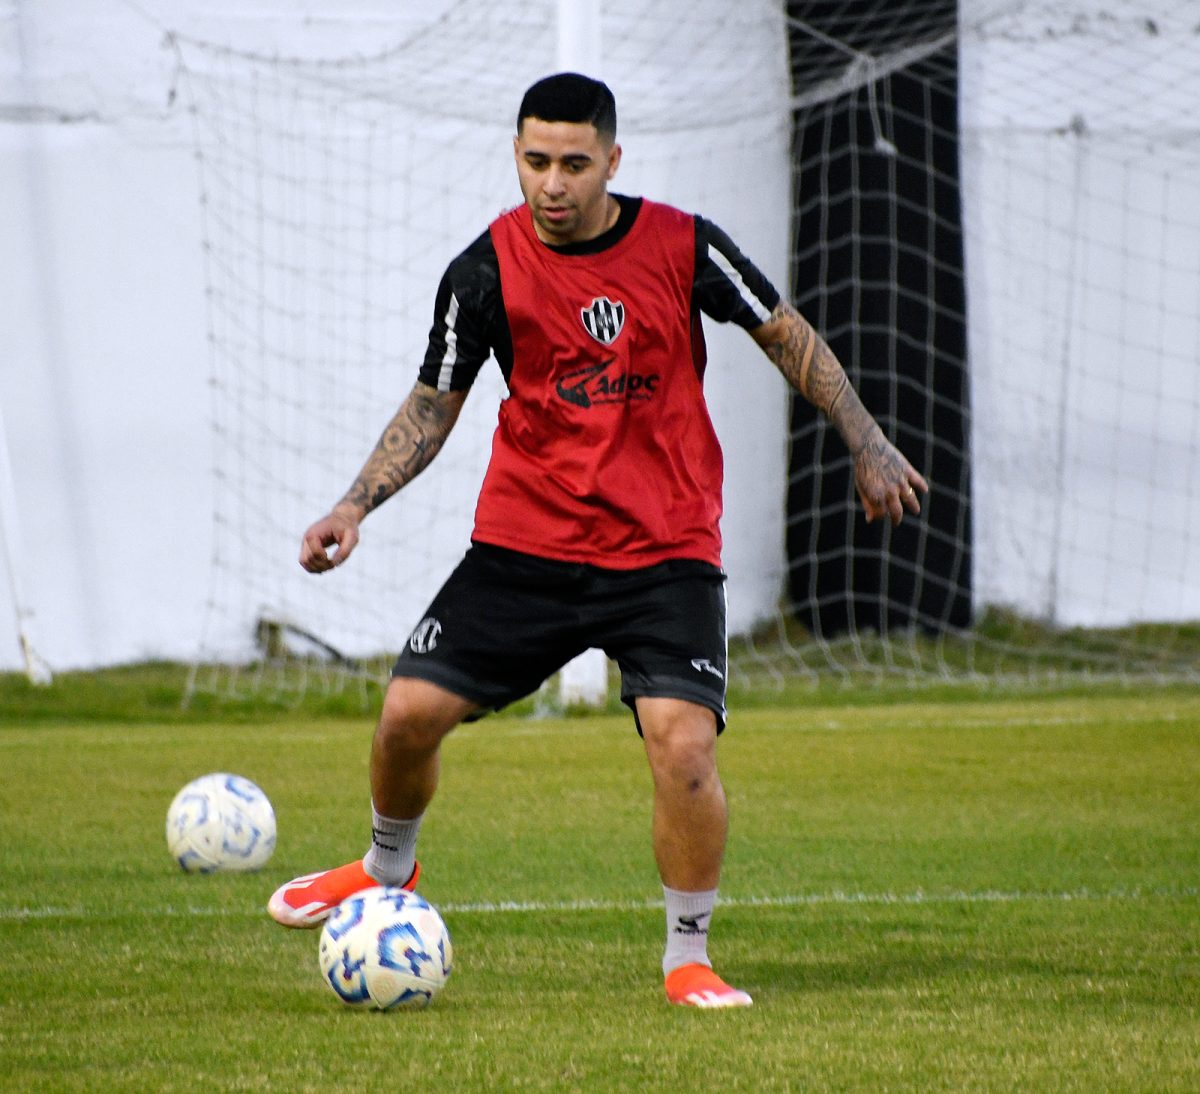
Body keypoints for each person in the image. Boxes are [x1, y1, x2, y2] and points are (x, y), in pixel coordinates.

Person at [268, 72, 928, 1008]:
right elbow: (432, 406)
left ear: (613, 160)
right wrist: (352, 506)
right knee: (406, 716)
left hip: (665, 551)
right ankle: (385, 867)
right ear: (516, 155)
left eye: (575, 164)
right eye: (536, 161)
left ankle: (687, 958)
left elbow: (785, 334)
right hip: (526, 546)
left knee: (683, 748)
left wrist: (867, 441)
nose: (553, 183)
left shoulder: (685, 244)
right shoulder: (483, 271)